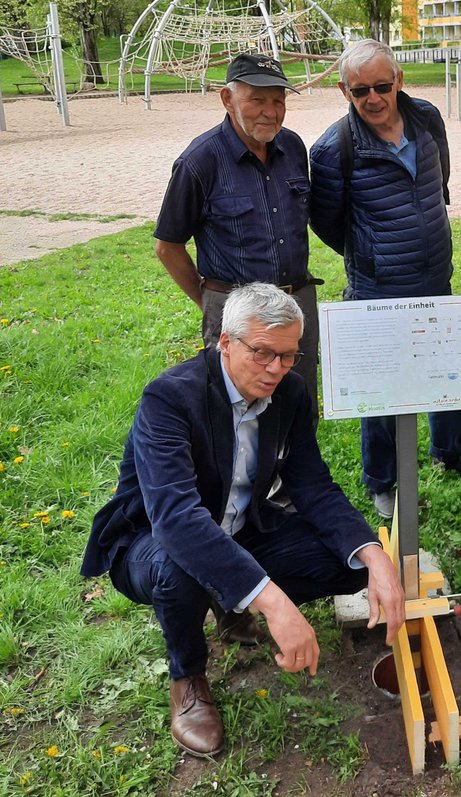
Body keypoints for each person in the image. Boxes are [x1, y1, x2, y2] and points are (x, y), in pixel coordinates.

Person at [81, 283, 405, 758]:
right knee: (180, 568)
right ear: (225, 343)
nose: (276, 368)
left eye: (289, 355)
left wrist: (374, 555)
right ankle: (188, 678)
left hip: (241, 526)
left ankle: (231, 598)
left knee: (349, 561)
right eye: (263, 353)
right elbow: (176, 519)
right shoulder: (170, 398)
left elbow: (313, 486)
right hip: (149, 539)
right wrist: (274, 603)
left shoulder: (290, 393)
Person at [309, 40, 461, 519]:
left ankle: (449, 451)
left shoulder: (427, 119)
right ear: (344, 91)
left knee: (445, 368)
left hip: (435, 273)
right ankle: (382, 478)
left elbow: (440, 178)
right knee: (381, 388)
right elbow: (327, 221)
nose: (374, 98)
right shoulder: (333, 148)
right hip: (377, 286)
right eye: (360, 91)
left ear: (399, 79)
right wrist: (373, 256)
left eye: (382, 86)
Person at [153, 52, 320, 425]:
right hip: (237, 311)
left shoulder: (293, 148)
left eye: (278, 101)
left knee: (299, 410)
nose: (270, 112)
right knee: (237, 416)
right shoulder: (199, 161)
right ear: (227, 99)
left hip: (296, 305)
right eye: (257, 100)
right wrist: (212, 302)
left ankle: (295, 465)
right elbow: (167, 246)